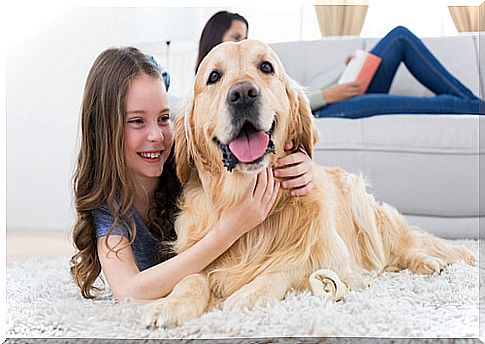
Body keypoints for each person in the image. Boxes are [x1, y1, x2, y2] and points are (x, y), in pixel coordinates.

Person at [70, 47, 313, 301]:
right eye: (137, 121)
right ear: (105, 131)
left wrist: (305, 168)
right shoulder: (109, 205)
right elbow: (129, 291)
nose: (157, 136)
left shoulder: (182, 160)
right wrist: (229, 229)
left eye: (164, 118)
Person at [309, 26, 483, 118]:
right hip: (320, 113)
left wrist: (351, 71)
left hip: (332, 96)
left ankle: (473, 103)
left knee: (400, 37)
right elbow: (287, 106)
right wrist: (326, 96)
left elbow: (300, 94)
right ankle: (476, 106)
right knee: (443, 103)